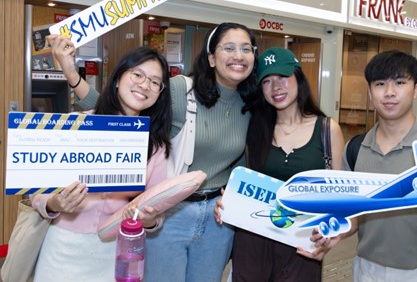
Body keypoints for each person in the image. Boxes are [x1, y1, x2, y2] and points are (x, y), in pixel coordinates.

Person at [65, 22, 259, 281]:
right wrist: (72, 76)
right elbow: (122, 113)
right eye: (229, 48)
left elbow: (244, 161)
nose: (238, 56)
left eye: (246, 49)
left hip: (218, 219)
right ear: (211, 58)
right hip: (169, 214)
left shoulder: (253, 104)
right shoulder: (182, 90)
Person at [301, 50, 417, 280]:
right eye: (380, 84)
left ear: (416, 89)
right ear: (370, 92)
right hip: (367, 270)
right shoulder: (356, 148)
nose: (389, 92)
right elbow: (354, 216)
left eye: (400, 82)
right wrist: (338, 231)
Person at [31, 39, 172, 281]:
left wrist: (150, 220)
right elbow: (37, 192)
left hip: (117, 251)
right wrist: (55, 203)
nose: (145, 85)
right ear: (118, 79)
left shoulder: (156, 147)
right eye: (137, 75)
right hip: (63, 246)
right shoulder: (79, 125)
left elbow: (156, 211)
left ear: (159, 94)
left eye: (155, 82)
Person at [215, 47, 345, 281]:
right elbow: (242, 180)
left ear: (298, 77)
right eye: (267, 81)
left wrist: (331, 231)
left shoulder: (327, 130)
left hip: (301, 244)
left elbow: (341, 196)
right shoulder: (254, 128)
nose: (276, 87)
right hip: (254, 242)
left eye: (283, 77)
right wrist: (227, 202)